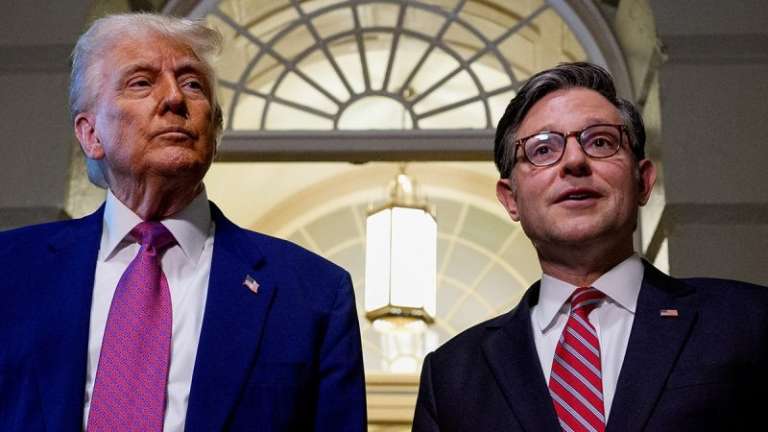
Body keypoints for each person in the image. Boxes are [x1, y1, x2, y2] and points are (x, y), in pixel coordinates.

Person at [0, 13, 365, 431]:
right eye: (141, 82)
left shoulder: (312, 294)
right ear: (91, 134)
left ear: (215, 129)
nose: (174, 98)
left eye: (193, 84)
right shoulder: (11, 271)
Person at [412, 62, 768, 432]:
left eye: (600, 142)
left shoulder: (749, 322)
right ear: (510, 199)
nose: (574, 161)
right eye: (543, 149)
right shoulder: (451, 375)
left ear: (644, 181)